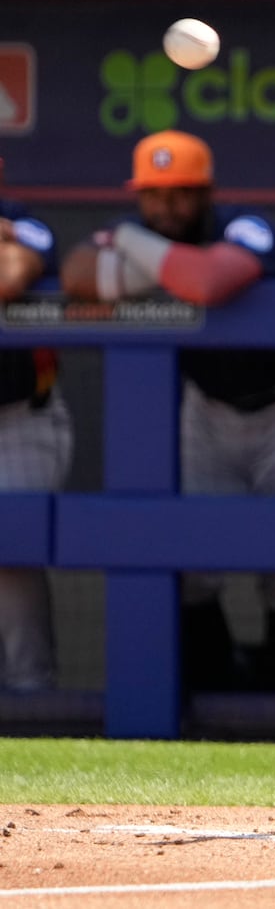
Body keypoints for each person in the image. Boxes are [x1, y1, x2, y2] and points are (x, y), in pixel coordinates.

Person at [61, 130, 275, 693]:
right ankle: (215, 701)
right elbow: (76, 277)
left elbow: (208, 281)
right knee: (188, 563)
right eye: (153, 195)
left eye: (181, 193)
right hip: (209, 408)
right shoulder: (145, 231)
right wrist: (149, 256)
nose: (166, 207)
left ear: (207, 192)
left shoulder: (244, 225)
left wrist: (127, 246)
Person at [0, 163, 72, 692]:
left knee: (12, 556)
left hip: (19, 418)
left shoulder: (24, 223)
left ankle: (33, 698)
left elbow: (10, 276)